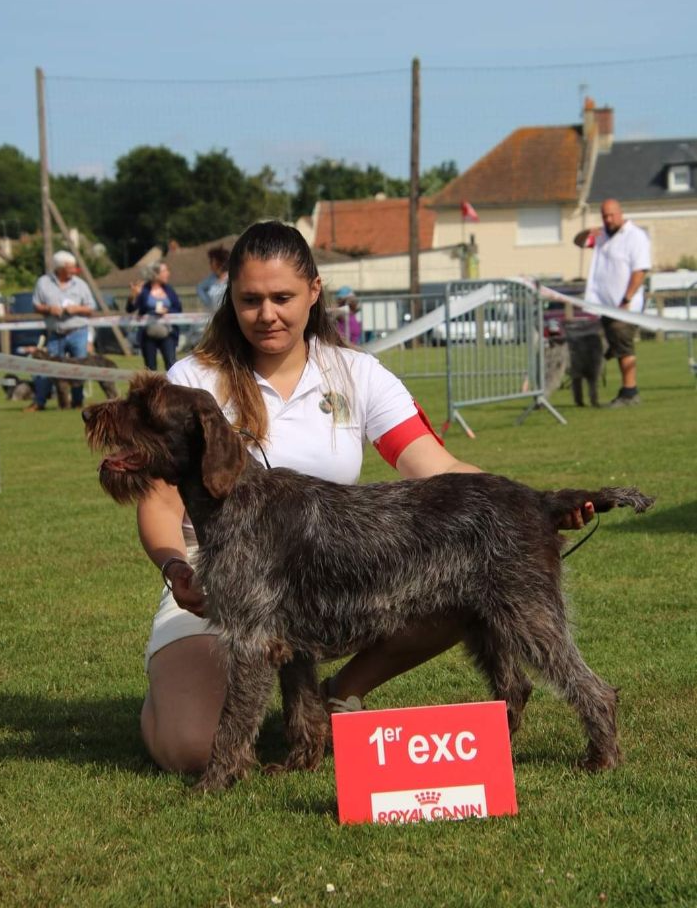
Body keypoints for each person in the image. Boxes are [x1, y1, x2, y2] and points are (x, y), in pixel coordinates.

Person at [135, 219, 593, 774]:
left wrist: (528, 509)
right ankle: (179, 689)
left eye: (282, 297)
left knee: (461, 565)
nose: (267, 314)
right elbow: (159, 502)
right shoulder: (194, 380)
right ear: (229, 298)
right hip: (215, 586)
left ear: (314, 291)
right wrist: (176, 568)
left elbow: (438, 467)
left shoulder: (356, 373)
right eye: (250, 299)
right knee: (188, 747)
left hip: (330, 574)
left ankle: (341, 694)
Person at [574, 199, 652, 408]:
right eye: (604, 216)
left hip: (625, 306)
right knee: (616, 346)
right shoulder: (602, 236)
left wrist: (627, 298)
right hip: (604, 305)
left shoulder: (635, 236)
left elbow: (640, 270)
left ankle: (630, 391)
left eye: (612, 215)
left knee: (623, 345)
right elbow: (579, 242)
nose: (608, 220)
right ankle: (626, 390)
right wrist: (587, 232)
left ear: (620, 213)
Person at [25, 250, 97, 412]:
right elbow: (36, 306)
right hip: (55, 334)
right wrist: (49, 309)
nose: (74, 270)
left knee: (79, 371)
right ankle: (40, 402)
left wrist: (76, 308)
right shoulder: (43, 283)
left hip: (78, 332)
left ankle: (78, 403)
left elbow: (91, 308)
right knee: (47, 369)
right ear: (60, 268)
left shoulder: (80, 284)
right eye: (70, 267)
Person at [126, 260, 182, 372]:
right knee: (150, 368)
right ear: (155, 273)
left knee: (172, 366)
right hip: (148, 333)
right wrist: (133, 295)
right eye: (165, 271)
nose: (168, 273)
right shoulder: (144, 290)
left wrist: (167, 311)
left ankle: (173, 389)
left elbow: (178, 309)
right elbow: (130, 309)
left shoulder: (169, 290)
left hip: (168, 333)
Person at [196, 245, 230, 312]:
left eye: (212, 261)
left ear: (219, 262)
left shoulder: (232, 279)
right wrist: (209, 304)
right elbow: (199, 288)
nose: (210, 264)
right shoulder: (211, 279)